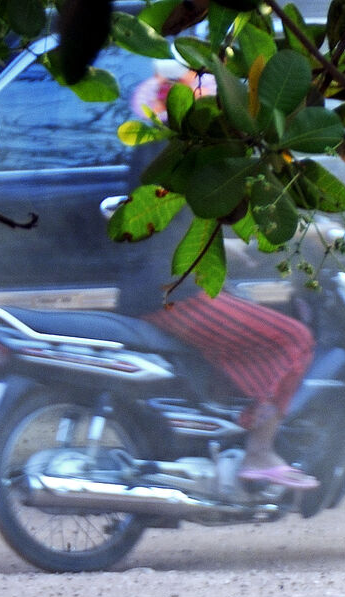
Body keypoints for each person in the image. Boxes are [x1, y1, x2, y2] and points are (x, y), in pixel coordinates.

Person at [116, 72, 318, 488]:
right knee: (295, 339)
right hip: (177, 295)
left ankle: (228, 433)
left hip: (149, 288)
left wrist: (226, 245)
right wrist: (317, 234)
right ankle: (259, 452)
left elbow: (185, 217)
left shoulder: (155, 149)